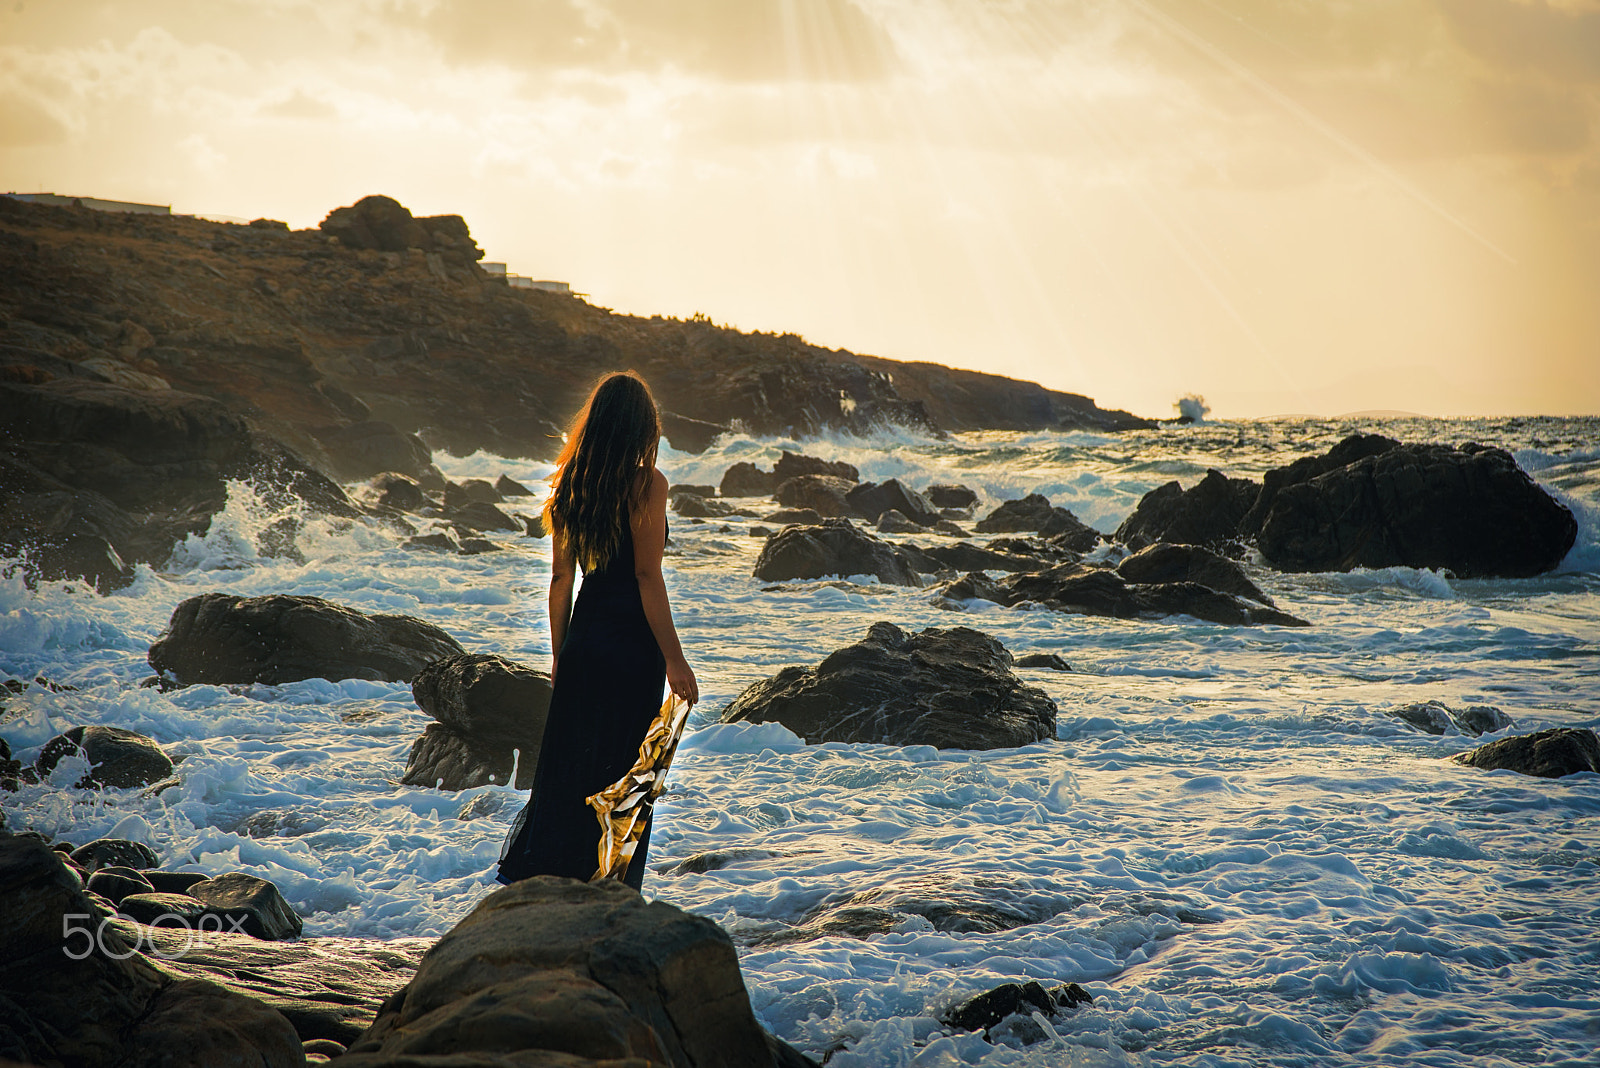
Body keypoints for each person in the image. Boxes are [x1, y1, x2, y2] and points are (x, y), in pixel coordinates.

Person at [496, 371, 698, 890]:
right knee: (625, 776)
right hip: (633, 651)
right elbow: (647, 575)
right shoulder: (647, 484)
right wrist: (676, 659)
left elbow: (561, 580)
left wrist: (562, 656)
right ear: (640, 427)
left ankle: (553, 887)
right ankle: (613, 891)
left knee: (572, 772)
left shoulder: (571, 486)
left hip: (585, 644)